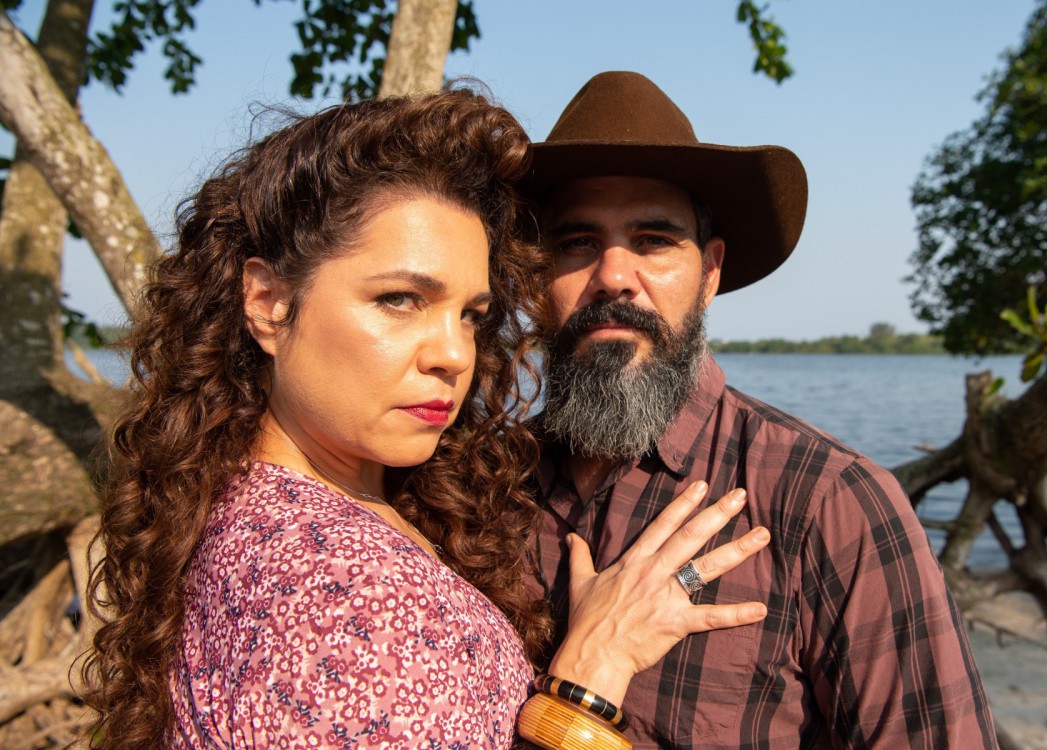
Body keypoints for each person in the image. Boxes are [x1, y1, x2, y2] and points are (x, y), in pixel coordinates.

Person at [82, 89, 772, 750]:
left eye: (471, 315)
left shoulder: (291, 494)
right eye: (400, 299)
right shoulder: (335, 600)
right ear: (267, 301)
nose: (453, 354)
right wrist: (591, 677)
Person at [524, 71, 999, 748]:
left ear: (710, 273)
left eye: (654, 240)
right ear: (531, 274)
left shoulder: (829, 503)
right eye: (576, 243)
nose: (614, 275)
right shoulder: (480, 482)